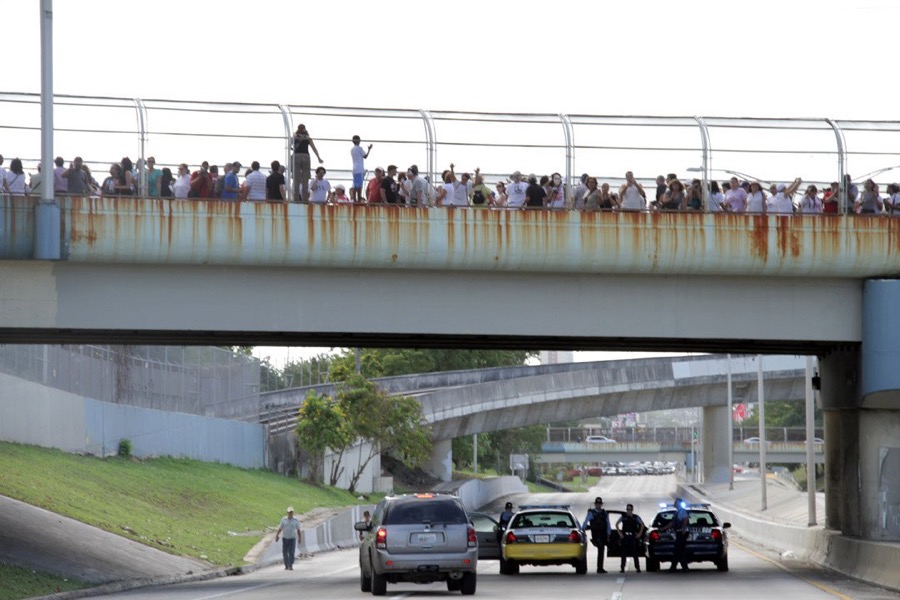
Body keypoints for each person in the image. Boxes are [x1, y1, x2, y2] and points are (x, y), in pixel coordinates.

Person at [292, 124, 323, 202]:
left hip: (296, 156)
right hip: (306, 156)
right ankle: (304, 199)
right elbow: (314, 148)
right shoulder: (307, 138)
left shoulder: (295, 137)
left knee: (296, 179)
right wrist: (318, 158)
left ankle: (296, 199)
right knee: (305, 180)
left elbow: (290, 146)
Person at [582, 497, 611, 573]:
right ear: (595, 504)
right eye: (597, 504)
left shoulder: (604, 513)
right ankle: (599, 568)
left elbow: (608, 523)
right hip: (596, 534)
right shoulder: (591, 513)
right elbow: (586, 522)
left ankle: (600, 567)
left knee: (602, 550)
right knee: (601, 548)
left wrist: (609, 533)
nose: (598, 505)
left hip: (603, 534)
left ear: (601, 504)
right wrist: (583, 529)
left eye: (600, 504)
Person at [661, 498, 689, 571]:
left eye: (675, 502)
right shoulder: (677, 512)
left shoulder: (682, 511)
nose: (674, 503)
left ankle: (675, 567)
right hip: (678, 533)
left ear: (678, 503)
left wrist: (683, 528)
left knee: (678, 550)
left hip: (681, 534)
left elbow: (686, 519)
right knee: (679, 551)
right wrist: (664, 528)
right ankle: (682, 567)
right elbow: (672, 523)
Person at [616, 504, 645, 573]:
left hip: (633, 536)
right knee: (624, 553)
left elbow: (642, 524)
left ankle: (637, 568)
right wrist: (619, 533)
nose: (629, 511)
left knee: (635, 553)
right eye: (628, 509)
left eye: (630, 509)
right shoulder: (623, 517)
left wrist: (639, 534)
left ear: (632, 510)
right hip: (625, 536)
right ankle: (622, 568)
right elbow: (617, 524)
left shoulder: (635, 517)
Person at [275, 506, 302, 571]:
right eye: (289, 512)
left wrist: (299, 538)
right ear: (287, 513)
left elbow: (298, 530)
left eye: (291, 512)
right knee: (285, 552)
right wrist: (277, 535)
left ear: (293, 513)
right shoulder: (284, 520)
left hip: (292, 538)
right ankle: (286, 565)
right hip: (285, 538)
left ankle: (290, 565)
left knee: (291, 552)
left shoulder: (295, 520)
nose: (290, 514)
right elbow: (280, 528)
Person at [349, 135, 372, 203]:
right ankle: (358, 199)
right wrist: (369, 149)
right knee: (359, 185)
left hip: (354, 168)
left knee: (356, 184)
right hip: (359, 168)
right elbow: (365, 156)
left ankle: (355, 198)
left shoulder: (352, 149)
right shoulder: (359, 148)